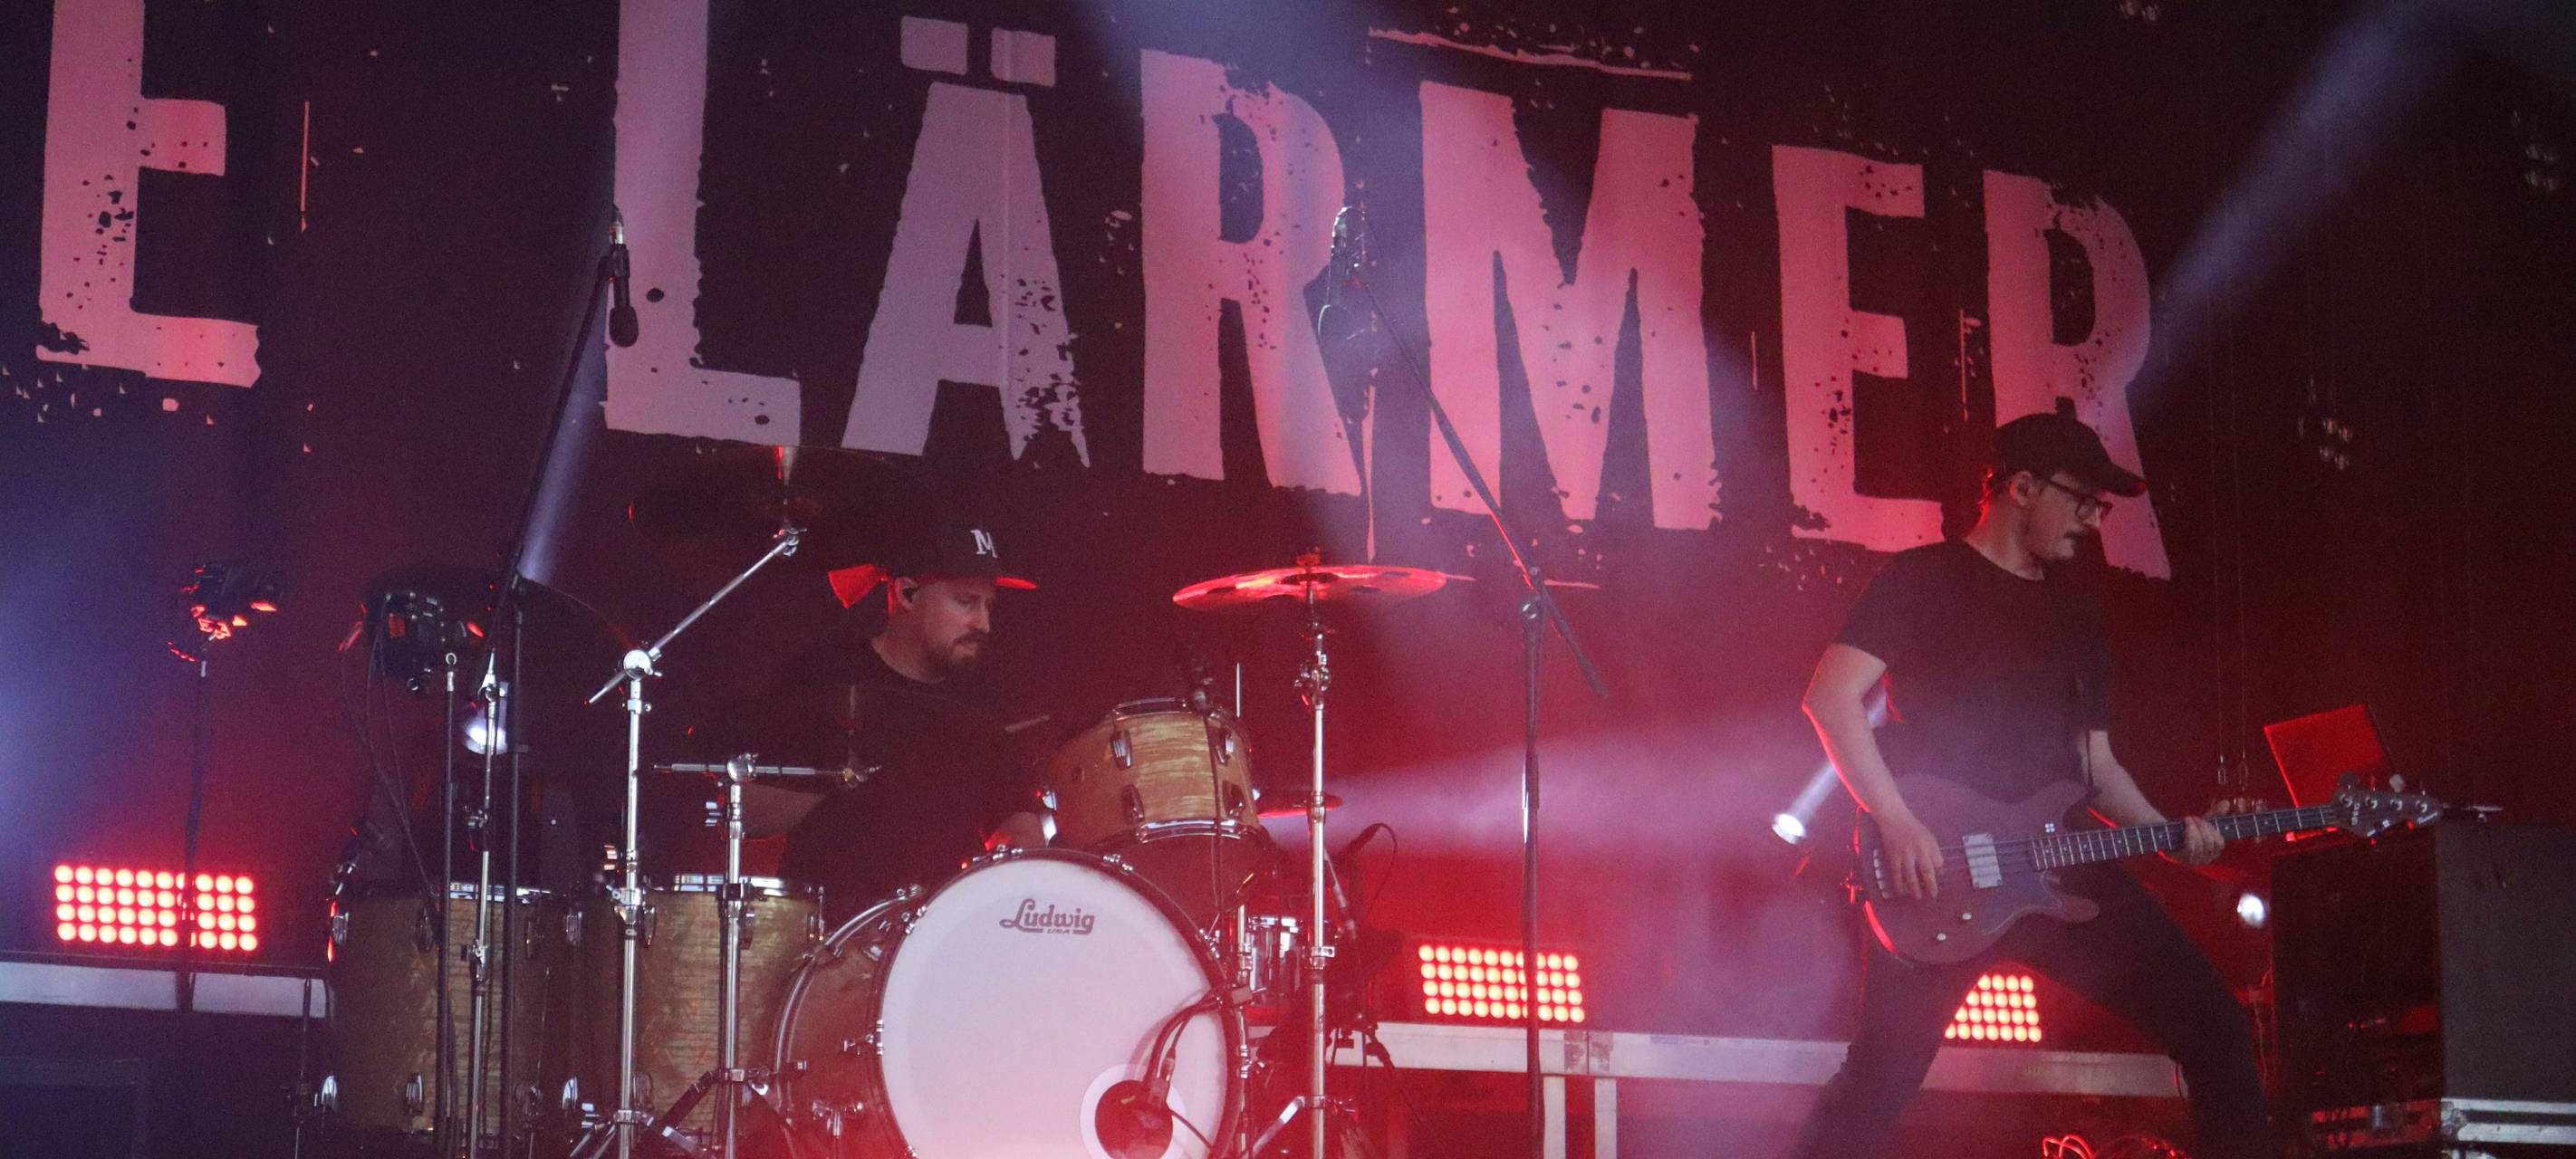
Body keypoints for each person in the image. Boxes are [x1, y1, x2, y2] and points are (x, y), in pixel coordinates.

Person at [1787, 411, 2270, 1159]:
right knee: (1879, 1083)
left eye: (2101, 509)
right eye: (2083, 501)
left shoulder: (2077, 614)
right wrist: (1895, 818)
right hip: (1938, 870)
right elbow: (1830, 697)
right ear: (2020, 487)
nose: (2092, 521)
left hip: (2061, 865)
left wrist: (2172, 836)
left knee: (2215, 1027)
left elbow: (2096, 768)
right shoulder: (1924, 579)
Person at [735, 516, 1050, 920]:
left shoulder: (985, 699)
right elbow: (750, 812)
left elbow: (1016, 817)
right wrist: (849, 775)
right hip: (825, 932)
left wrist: (1018, 860)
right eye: (965, 601)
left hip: (943, 930)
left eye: (988, 605)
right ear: (906, 594)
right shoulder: (823, 680)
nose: (983, 623)